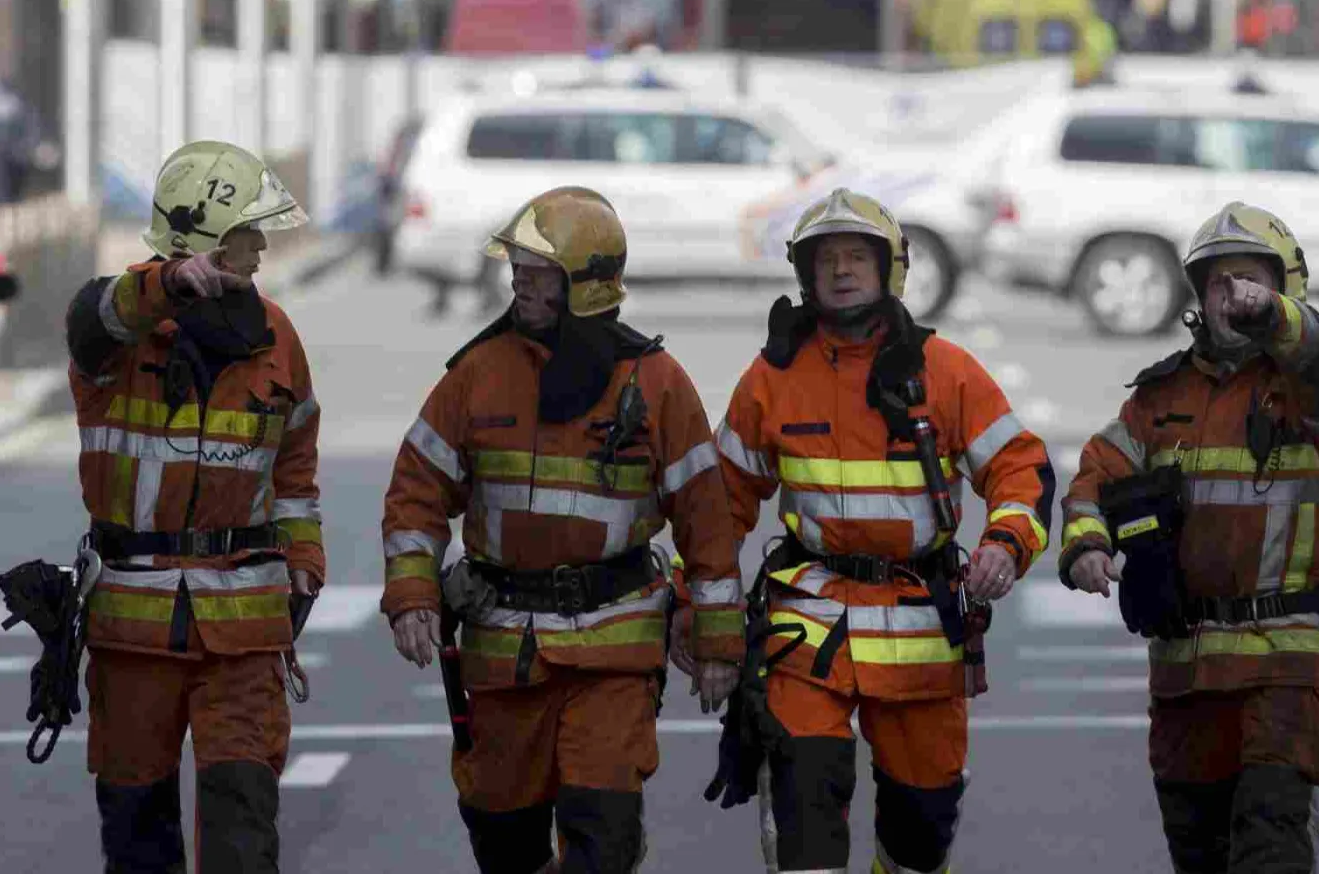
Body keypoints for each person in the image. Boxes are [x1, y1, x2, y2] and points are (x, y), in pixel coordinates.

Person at [688, 188, 1056, 873]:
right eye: (826, 258)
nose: (841, 270)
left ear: (891, 268)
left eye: (858, 255)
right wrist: (701, 615)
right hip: (808, 620)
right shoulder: (771, 376)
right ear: (805, 274)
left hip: (920, 629)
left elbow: (1021, 467)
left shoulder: (945, 371)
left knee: (921, 834)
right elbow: (716, 507)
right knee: (805, 813)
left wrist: (1007, 544)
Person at [381, 185, 744, 874]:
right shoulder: (475, 376)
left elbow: (707, 523)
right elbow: (417, 490)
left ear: (586, 283)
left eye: (539, 269)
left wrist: (719, 641)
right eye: (518, 264)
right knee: (504, 843)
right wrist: (412, 594)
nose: (520, 279)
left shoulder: (658, 384)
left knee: (600, 837)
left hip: (613, 650)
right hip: (503, 647)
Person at [1060, 202, 1319, 874]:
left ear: (1287, 288)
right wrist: (1085, 544)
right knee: (1199, 853)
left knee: (1269, 844)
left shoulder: (1313, 387)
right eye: (1219, 282)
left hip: (1285, 664)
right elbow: (1094, 476)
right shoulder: (1158, 396)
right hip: (1187, 674)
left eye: (1251, 279)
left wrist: (1275, 318)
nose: (1234, 295)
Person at [63, 140, 324, 873]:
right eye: (247, 229)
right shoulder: (114, 331)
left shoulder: (276, 336)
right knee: (138, 840)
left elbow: (296, 465)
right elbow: (101, 316)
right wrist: (174, 282)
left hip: (242, 636)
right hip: (132, 638)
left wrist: (304, 561)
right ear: (207, 237)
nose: (263, 245)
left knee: (244, 833)